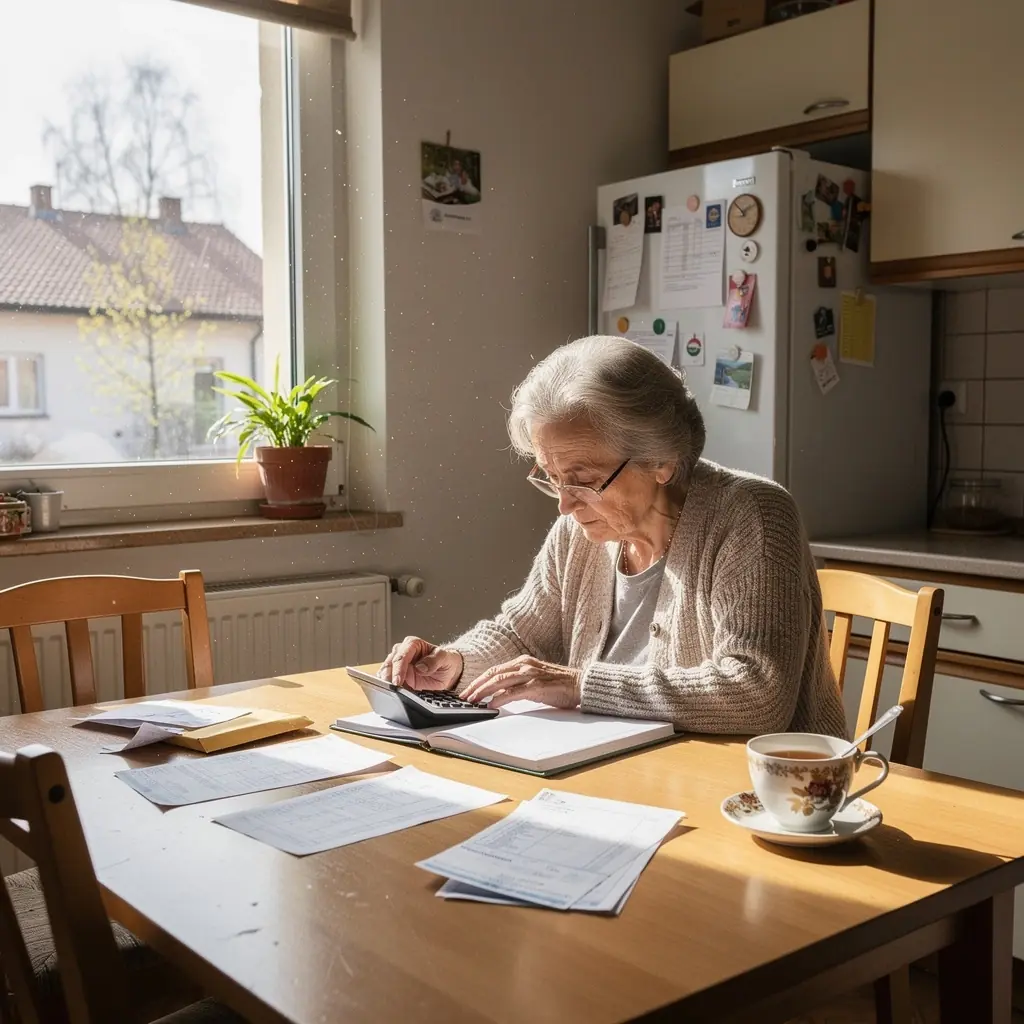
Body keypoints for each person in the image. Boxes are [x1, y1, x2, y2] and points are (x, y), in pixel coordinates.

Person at [382, 336, 848, 738]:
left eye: (583, 479)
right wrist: (457, 663)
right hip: (624, 771)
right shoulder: (579, 530)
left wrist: (582, 686)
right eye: (550, 476)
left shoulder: (752, 517)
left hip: (753, 796)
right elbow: (522, 634)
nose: (564, 504)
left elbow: (757, 691)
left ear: (662, 460)